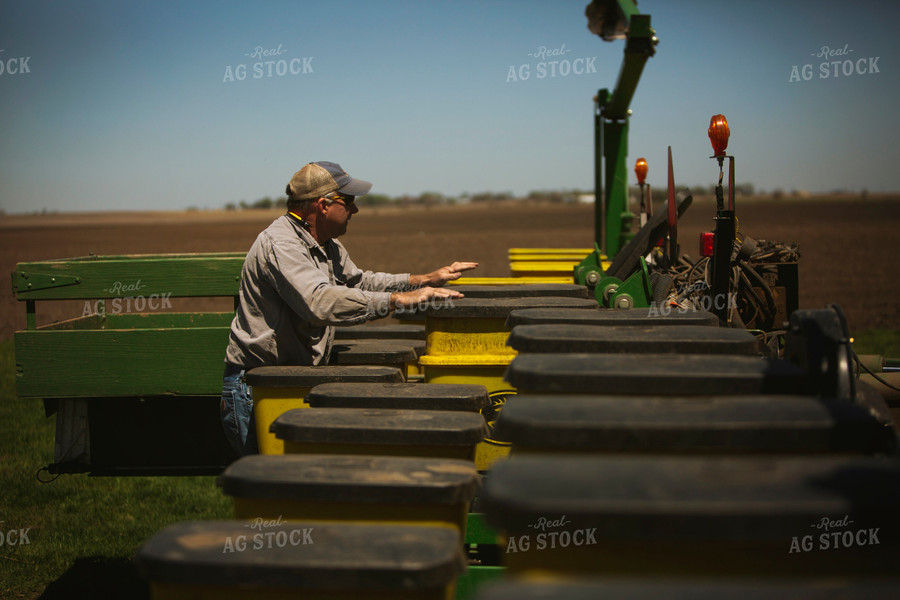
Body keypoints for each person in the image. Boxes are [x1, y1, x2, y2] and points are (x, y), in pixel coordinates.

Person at [221, 160, 478, 455]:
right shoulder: (282, 244)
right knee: (271, 487)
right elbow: (318, 302)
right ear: (323, 205)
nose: (355, 209)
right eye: (349, 201)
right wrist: (395, 301)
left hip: (289, 379)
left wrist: (422, 280)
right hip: (258, 387)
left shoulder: (325, 243)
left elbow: (359, 282)